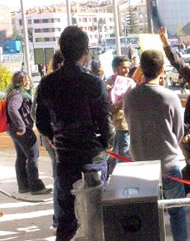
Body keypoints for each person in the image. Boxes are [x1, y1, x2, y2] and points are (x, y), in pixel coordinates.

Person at [36, 26, 115, 240]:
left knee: (67, 220)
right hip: (92, 158)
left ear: (61, 50)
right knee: (97, 218)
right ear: (86, 51)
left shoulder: (47, 83)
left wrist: (55, 138)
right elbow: (106, 125)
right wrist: (105, 143)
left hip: (65, 158)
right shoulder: (93, 83)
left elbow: (41, 122)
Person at [124, 49, 188, 241]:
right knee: (177, 211)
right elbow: (179, 132)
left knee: (147, 214)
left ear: (141, 69)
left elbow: (129, 123)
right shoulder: (170, 97)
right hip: (168, 164)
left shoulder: (130, 97)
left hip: (139, 166)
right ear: (162, 70)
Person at [6, 71, 51, 195]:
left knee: (21, 156)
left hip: (13, 129)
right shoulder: (18, 94)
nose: (28, 82)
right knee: (33, 156)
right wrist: (21, 126)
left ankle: (23, 186)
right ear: (19, 82)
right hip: (21, 129)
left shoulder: (13, 92)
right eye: (25, 80)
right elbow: (12, 109)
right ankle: (36, 187)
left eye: (28, 79)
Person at [37, 50, 64, 232]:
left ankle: (60, 220)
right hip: (57, 140)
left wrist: (49, 136)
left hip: (53, 139)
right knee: (60, 180)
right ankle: (59, 220)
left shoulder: (45, 83)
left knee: (59, 179)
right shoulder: (51, 83)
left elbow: (37, 116)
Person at [105, 56, 135, 175]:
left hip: (127, 125)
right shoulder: (107, 85)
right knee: (117, 156)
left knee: (124, 155)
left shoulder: (131, 83)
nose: (126, 71)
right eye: (123, 68)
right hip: (113, 127)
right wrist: (120, 101)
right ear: (115, 69)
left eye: (128, 68)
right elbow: (106, 108)